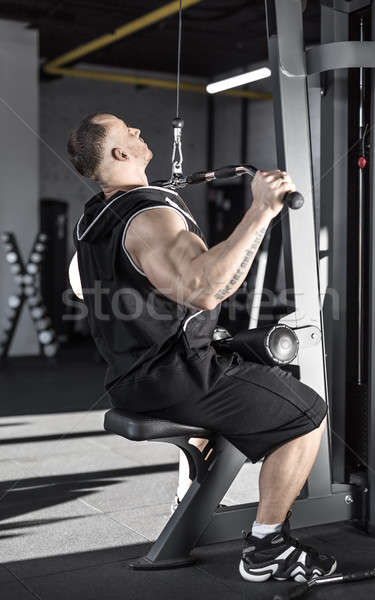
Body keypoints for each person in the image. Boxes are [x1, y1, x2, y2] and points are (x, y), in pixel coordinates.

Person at [67, 113, 336, 583]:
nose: (138, 131)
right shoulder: (149, 215)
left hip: (132, 378)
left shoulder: (95, 219)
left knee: (251, 369)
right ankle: (266, 546)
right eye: (129, 130)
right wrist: (262, 209)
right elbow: (205, 289)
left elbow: (95, 284)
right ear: (118, 154)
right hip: (180, 378)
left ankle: (192, 503)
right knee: (306, 412)